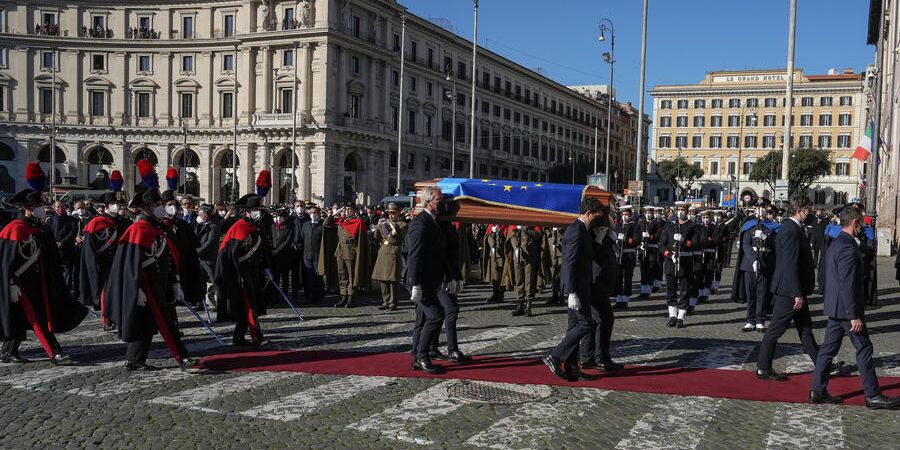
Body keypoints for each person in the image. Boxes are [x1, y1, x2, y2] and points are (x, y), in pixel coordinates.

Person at [104, 160, 196, 371]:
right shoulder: (139, 229)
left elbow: (165, 258)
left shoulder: (157, 228)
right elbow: (129, 264)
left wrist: (174, 282)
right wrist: (135, 289)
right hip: (144, 284)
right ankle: (182, 358)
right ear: (146, 209)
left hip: (158, 283)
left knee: (146, 325)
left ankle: (134, 360)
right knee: (164, 323)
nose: (162, 208)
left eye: (161, 205)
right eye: (157, 206)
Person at [809, 205, 900, 409]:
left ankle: (818, 390)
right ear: (854, 223)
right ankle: (873, 395)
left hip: (835, 307)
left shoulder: (836, 242)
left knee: (827, 350)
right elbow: (847, 283)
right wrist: (854, 316)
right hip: (846, 309)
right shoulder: (848, 247)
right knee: (864, 348)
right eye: (860, 223)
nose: (861, 227)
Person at [0, 163, 86, 364]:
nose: (43, 209)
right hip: (20, 283)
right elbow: (6, 260)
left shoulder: (40, 228)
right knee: (37, 317)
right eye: (39, 206)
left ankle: (8, 351)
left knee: (23, 318)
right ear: (28, 209)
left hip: (38, 282)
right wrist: (10, 283)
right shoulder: (15, 229)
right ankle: (55, 352)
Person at [756, 195, 818, 381]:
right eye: (808, 210)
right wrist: (797, 293)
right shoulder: (790, 229)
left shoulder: (794, 228)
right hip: (788, 290)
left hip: (794, 288)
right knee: (776, 329)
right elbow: (790, 264)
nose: (810, 213)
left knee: (805, 329)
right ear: (800, 211)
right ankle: (763, 368)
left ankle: (822, 362)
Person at [543, 198, 606, 382]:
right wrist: (570, 292)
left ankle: (571, 367)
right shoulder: (576, 231)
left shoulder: (584, 231)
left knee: (574, 327)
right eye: (596, 216)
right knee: (584, 324)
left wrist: (599, 241)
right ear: (588, 213)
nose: (598, 220)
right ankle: (554, 356)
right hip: (575, 287)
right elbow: (569, 263)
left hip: (582, 285)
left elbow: (586, 255)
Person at [215, 191, 273, 347]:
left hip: (253, 272)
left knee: (246, 306)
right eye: (255, 209)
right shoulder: (239, 226)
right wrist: (236, 275)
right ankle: (257, 337)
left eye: (259, 209)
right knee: (249, 306)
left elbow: (262, 249)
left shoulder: (255, 225)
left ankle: (238, 336)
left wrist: (265, 267)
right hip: (241, 272)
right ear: (247, 211)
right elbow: (228, 254)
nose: (258, 212)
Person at [407, 186, 447, 374]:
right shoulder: (420, 223)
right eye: (439, 200)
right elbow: (414, 256)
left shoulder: (433, 221)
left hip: (430, 280)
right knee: (436, 316)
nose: (442, 203)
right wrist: (415, 284)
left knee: (422, 319)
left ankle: (417, 355)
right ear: (429, 201)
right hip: (420, 281)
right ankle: (423, 357)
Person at [580, 207, 623, 372]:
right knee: (605, 320)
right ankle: (601, 358)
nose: (612, 216)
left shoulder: (606, 233)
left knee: (594, 321)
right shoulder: (595, 234)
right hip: (595, 284)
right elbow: (593, 254)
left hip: (601, 285)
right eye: (610, 213)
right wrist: (601, 236)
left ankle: (587, 356)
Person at [78, 192, 129, 331]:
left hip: (121, 264)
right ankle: (108, 319)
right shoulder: (96, 222)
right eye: (114, 203)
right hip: (104, 265)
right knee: (106, 293)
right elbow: (90, 250)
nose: (117, 206)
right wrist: (94, 267)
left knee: (120, 293)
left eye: (119, 203)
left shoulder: (124, 222)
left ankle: (119, 317)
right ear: (106, 205)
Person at [733, 198, 779, 332]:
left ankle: (760, 319)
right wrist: (754, 260)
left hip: (766, 263)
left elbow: (777, 246)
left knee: (762, 293)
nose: (760, 209)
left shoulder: (773, 226)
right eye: (758, 206)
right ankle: (750, 320)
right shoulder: (749, 225)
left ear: (767, 209)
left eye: (763, 206)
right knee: (751, 293)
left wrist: (767, 238)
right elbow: (745, 245)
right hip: (749, 263)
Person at [429, 214, 471, 363]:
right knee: (451, 309)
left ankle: (432, 347)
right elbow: (442, 255)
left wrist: (458, 276)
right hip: (440, 275)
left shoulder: (448, 225)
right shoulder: (441, 226)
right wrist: (449, 277)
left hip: (448, 274)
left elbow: (453, 255)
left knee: (441, 311)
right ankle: (452, 350)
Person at [659, 201, 695, 328]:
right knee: (671, 290)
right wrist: (667, 253)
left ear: (686, 211)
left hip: (685, 262)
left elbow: (696, 242)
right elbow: (662, 243)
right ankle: (672, 316)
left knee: (684, 290)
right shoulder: (669, 225)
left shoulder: (691, 226)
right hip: (670, 262)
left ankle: (681, 317)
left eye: (683, 209)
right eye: (679, 209)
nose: (681, 211)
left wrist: (685, 241)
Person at [371, 203, 407, 310]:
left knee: (393, 279)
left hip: (394, 250)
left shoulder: (402, 224)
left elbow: (398, 236)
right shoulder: (385, 224)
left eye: (393, 213)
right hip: (384, 250)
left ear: (398, 214)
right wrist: (378, 226)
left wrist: (392, 225)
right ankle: (385, 300)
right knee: (383, 278)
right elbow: (378, 237)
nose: (391, 216)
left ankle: (393, 302)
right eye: (389, 214)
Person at [507, 225, 543, 317]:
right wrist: (515, 247)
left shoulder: (532, 223)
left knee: (529, 281)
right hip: (518, 256)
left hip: (530, 256)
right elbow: (510, 234)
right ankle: (520, 306)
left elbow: (539, 235)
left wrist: (526, 229)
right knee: (519, 281)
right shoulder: (514, 223)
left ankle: (528, 306)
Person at [613, 205, 640, 308]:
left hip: (629, 254)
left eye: (627, 214)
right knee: (618, 277)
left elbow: (637, 240)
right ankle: (619, 299)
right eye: (623, 214)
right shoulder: (618, 226)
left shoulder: (634, 226)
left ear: (630, 214)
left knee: (627, 277)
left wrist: (626, 239)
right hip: (619, 254)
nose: (625, 216)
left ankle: (625, 299)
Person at [195, 205, 220, 311]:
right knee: (200, 281)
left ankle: (217, 303)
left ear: (205, 215)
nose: (198, 215)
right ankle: (201, 302)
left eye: (200, 213)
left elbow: (210, 243)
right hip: (200, 259)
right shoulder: (199, 225)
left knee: (214, 281)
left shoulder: (214, 226)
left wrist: (197, 252)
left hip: (209, 258)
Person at [299, 203, 325, 304]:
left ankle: (318, 295)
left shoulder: (322, 225)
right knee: (309, 276)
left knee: (318, 276)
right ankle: (309, 295)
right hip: (307, 254)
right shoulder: (306, 225)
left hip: (318, 254)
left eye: (315, 213)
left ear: (319, 213)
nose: (313, 214)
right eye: (311, 213)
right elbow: (303, 238)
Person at [480, 224, 506, 303]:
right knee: (494, 274)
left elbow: (506, 232)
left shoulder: (503, 224)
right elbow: (487, 234)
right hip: (493, 253)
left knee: (501, 274)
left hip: (501, 253)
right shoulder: (491, 224)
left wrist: (499, 230)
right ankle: (495, 293)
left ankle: (501, 294)